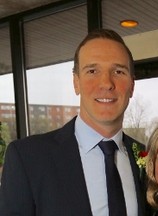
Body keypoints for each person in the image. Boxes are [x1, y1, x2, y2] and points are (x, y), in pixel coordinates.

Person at [0, 29, 147, 216]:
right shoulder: (28, 158)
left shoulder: (147, 159)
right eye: (92, 71)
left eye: (118, 71)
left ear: (132, 86)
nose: (106, 83)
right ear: (76, 82)